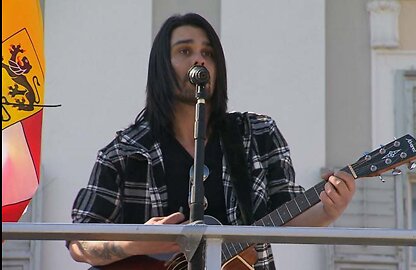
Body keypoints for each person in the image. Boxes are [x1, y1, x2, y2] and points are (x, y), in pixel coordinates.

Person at [67, 13, 356, 270]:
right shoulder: (125, 151)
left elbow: (287, 215)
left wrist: (328, 211)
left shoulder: (257, 133)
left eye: (208, 52)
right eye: (184, 50)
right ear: (161, 68)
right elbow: (79, 244)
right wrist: (138, 243)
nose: (199, 59)